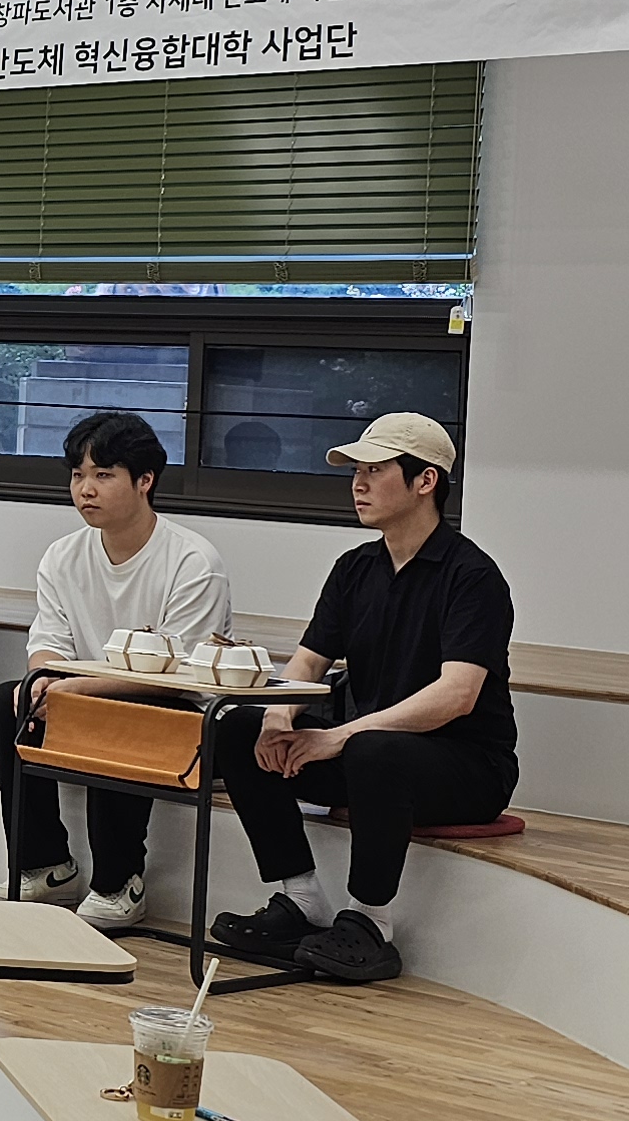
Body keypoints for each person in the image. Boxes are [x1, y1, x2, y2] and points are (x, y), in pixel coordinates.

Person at [203, 414, 517, 986]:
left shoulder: (473, 576)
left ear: (425, 481)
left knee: (373, 748)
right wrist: (277, 719)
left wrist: (338, 737)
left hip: (467, 769)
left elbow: (457, 695)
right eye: (355, 472)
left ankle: (372, 924)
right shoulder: (355, 568)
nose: (358, 484)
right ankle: (301, 900)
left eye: (375, 470)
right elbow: (308, 662)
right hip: (370, 758)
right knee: (236, 727)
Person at [0, 409, 232, 928]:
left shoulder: (192, 560)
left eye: (103, 475)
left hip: (179, 713)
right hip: (85, 693)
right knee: (4, 704)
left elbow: (178, 675)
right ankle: (46, 865)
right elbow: (49, 641)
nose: (85, 489)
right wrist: (42, 682)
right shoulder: (62, 555)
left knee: (115, 715)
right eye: (78, 475)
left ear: (145, 481)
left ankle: (120, 883)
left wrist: (76, 691)